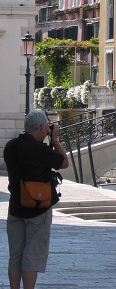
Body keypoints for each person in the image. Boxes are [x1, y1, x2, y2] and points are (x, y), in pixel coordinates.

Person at [3, 110, 69, 289]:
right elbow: (64, 162)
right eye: (46, 126)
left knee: (15, 255)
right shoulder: (40, 149)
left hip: (16, 206)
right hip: (38, 208)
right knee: (32, 255)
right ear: (41, 127)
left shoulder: (10, 147)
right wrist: (55, 140)